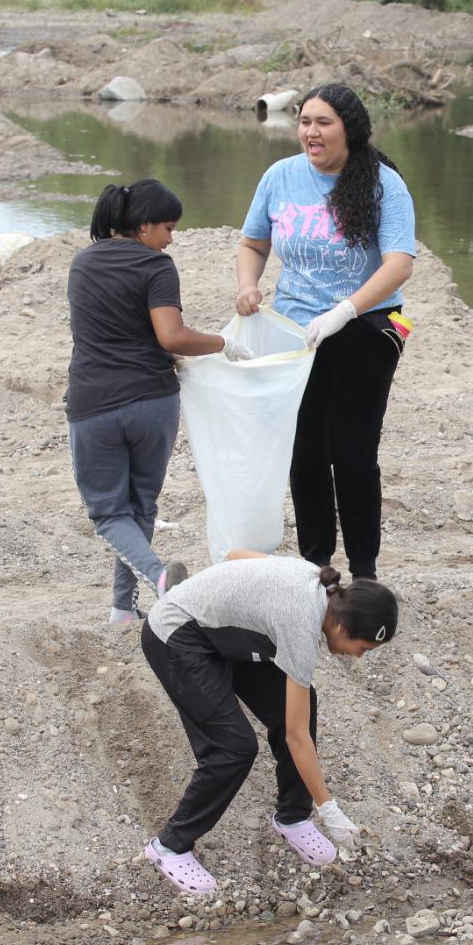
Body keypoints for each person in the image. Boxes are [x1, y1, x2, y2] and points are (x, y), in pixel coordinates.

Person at [234, 83, 415, 582]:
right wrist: (248, 285)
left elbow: (399, 265)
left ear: (349, 130)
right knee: (305, 452)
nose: (311, 133)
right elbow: (253, 243)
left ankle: (364, 572)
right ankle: (316, 567)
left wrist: (345, 311)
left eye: (323, 123)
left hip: (368, 327)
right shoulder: (280, 177)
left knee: (354, 454)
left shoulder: (383, 183)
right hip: (294, 332)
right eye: (305, 121)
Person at [140, 551, 395, 893]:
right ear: (342, 626)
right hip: (176, 636)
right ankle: (170, 845)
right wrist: (331, 811)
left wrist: (223, 598)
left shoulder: (318, 580)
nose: (358, 656)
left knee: (302, 702)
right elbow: (296, 735)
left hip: (228, 636)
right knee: (233, 747)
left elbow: (237, 555)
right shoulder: (302, 624)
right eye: (361, 647)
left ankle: (293, 817)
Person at [68, 180, 250, 625]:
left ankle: (138, 596)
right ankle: (129, 604)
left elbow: (107, 332)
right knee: (140, 506)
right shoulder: (157, 266)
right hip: (152, 402)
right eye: (168, 228)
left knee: (111, 514)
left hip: (95, 403)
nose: (171, 238)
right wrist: (223, 343)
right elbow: (170, 336)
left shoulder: (82, 263)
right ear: (144, 224)